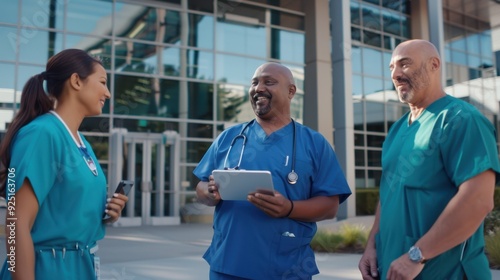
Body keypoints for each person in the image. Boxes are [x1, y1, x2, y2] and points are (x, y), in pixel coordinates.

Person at [194, 62, 352, 279]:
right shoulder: (229, 139)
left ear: (290, 91)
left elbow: (330, 206)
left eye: (269, 82)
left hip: (286, 268)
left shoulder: (314, 144)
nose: (258, 88)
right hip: (227, 264)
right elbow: (200, 187)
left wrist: (289, 208)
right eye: (254, 82)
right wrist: (209, 192)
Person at [358, 39, 500, 280]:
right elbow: (389, 193)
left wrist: (417, 255)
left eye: (405, 64)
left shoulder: (461, 120)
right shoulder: (397, 130)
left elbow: (478, 200)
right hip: (393, 269)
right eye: (391, 67)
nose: (396, 74)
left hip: (447, 272)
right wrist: (372, 245)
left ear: (434, 65)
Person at [0, 49, 129, 280]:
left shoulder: (80, 141)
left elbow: (64, 207)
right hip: (47, 269)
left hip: (82, 266)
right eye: (102, 82)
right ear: (76, 81)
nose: (107, 93)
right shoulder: (42, 133)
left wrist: (107, 214)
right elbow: (15, 221)